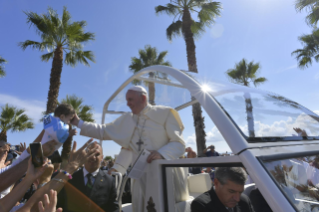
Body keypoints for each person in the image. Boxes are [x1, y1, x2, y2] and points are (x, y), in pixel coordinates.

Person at [71, 85, 188, 212]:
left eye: (130, 99)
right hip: (141, 178)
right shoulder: (127, 119)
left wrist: (161, 154)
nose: (128, 104)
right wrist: (78, 122)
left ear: (143, 98)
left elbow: (179, 144)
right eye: (126, 100)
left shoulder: (165, 113)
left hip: (165, 175)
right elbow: (105, 132)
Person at [57, 142, 118, 212]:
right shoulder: (70, 178)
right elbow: (60, 202)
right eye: (90, 153)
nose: (93, 157)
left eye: (97, 154)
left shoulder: (109, 181)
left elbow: (113, 207)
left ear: (102, 157)